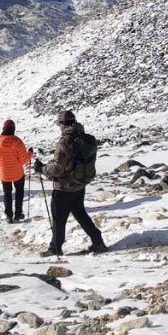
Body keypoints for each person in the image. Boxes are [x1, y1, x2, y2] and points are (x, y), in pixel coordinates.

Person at [34, 109, 106, 256]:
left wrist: (41, 168)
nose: (59, 126)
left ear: (62, 124)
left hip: (64, 187)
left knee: (58, 219)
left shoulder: (64, 142)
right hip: (80, 184)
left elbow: (57, 169)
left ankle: (55, 248)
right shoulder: (86, 139)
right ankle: (97, 241)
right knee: (80, 213)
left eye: (59, 123)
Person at [0, 119, 33, 222]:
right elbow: (23, 159)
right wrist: (30, 153)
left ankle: (8, 215)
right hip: (17, 173)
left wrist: (1, 165)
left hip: (4, 173)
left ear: (4, 128)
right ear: (13, 129)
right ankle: (18, 214)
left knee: (7, 193)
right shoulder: (17, 141)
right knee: (19, 193)